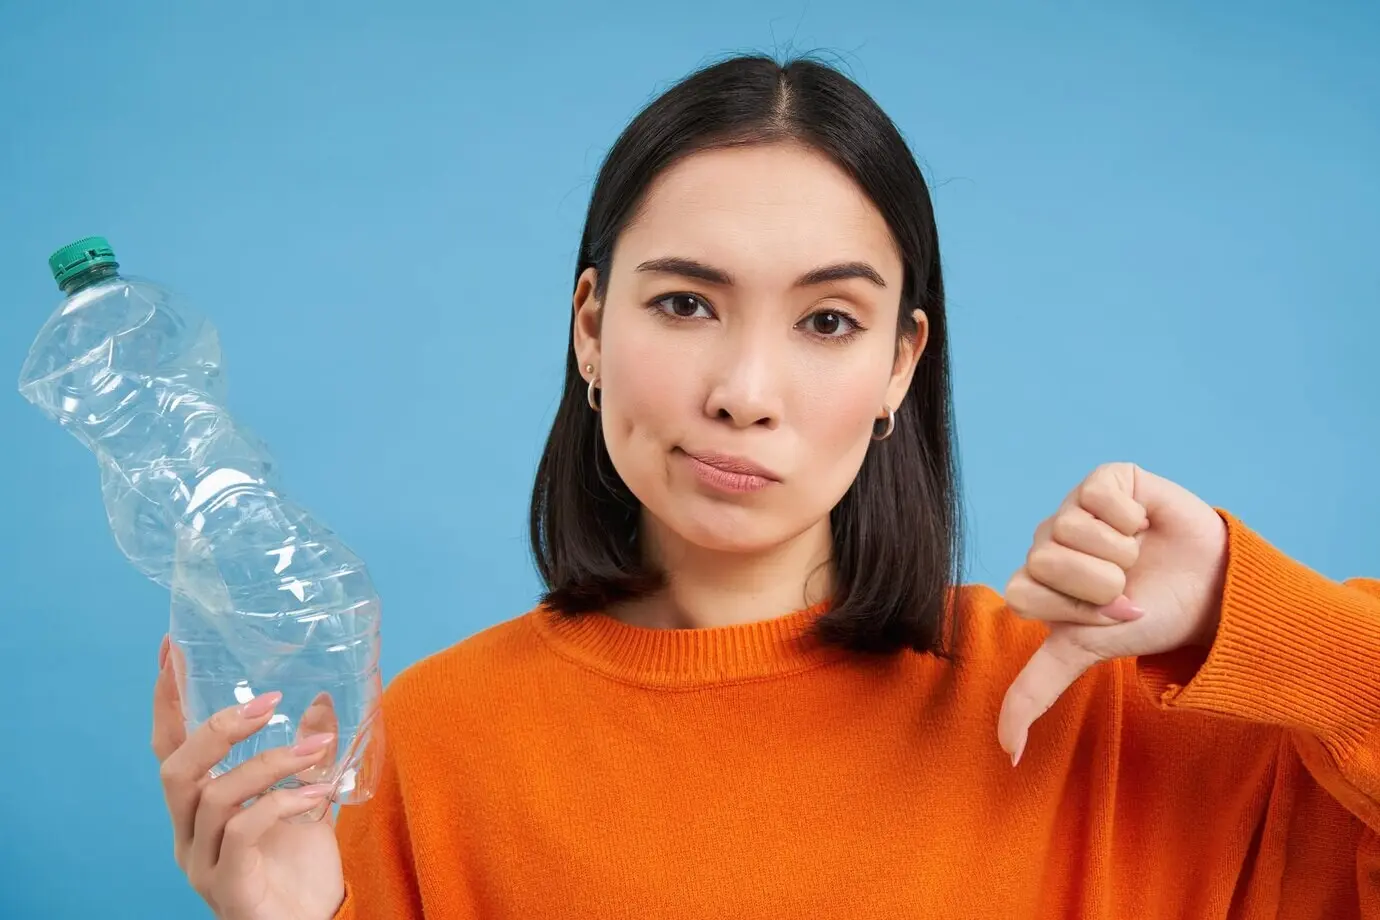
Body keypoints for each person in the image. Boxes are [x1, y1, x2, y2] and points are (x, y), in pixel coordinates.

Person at [150, 54, 1380, 919]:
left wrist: (1259, 616)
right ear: (590, 327)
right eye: (686, 303)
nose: (745, 386)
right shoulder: (430, 749)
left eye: (829, 320)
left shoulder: (1104, 725)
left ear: (904, 360)